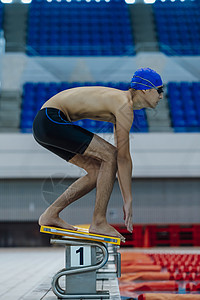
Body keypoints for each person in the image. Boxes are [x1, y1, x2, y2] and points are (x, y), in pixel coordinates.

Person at [32, 67, 163, 242]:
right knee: (110, 155)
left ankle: (51, 214)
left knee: (96, 170)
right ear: (146, 89)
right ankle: (99, 221)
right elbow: (122, 157)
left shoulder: (123, 105)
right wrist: (128, 199)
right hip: (51, 119)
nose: (161, 96)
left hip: (45, 124)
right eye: (159, 90)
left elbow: (123, 156)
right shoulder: (124, 105)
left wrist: (127, 197)